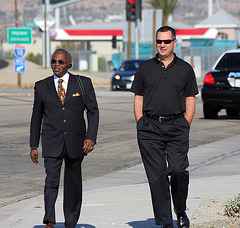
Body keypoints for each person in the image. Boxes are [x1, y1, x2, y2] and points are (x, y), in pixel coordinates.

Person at [130, 26, 198, 228]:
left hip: (177, 126)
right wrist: (141, 122)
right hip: (150, 127)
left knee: (178, 170)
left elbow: (191, 99)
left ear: (174, 43)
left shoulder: (185, 69)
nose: (162, 45)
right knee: (157, 176)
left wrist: (186, 123)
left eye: (166, 41)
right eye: (159, 41)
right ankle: (166, 222)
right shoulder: (145, 68)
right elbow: (138, 98)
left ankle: (180, 209)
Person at [30, 48, 99, 228]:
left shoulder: (83, 83)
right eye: (54, 61)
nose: (56, 65)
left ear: (69, 64)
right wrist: (33, 145)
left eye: (61, 62)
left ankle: (71, 221)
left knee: (73, 183)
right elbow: (36, 117)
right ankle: (50, 220)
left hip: (76, 142)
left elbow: (93, 112)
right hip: (52, 141)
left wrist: (91, 137)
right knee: (51, 181)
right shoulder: (41, 86)